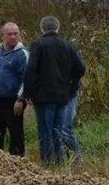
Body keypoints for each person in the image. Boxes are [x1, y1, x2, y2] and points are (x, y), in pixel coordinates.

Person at [22, 16, 85, 165]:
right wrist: (69, 84)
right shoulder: (67, 45)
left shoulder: (38, 45)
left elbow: (30, 69)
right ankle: (60, 162)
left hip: (43, 96)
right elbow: (80, 68)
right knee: (57, 130)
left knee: (45, 130)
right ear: (57, 28)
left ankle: (47, 163)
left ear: (42, 28)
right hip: (62, 95)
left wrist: (27, 93)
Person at [0, 21, 28, 156]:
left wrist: (20, 99)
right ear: (2, 35)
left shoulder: (22, 53)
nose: (13, 37)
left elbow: (27, 79)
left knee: (15, 133)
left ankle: (17, 161)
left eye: (16, 34)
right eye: (9, 34)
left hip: (13, 100)